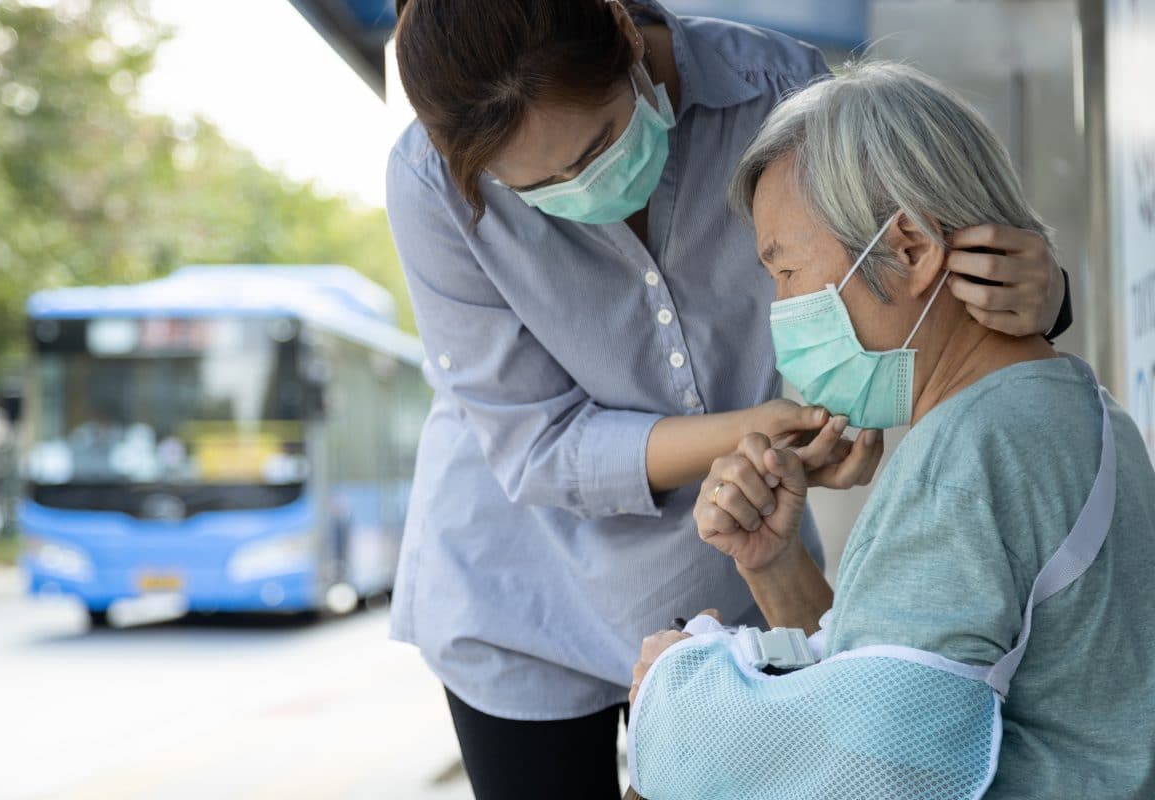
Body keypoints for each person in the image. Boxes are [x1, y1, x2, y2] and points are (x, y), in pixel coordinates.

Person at [386, 2, 1073, 797]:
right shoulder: (430, 183)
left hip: (728, 572)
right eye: (536, 188)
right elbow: (540, 447)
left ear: (623, 35)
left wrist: (1042, 292)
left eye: (599, 144)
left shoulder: (776, 91)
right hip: (521, 591)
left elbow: (903, 260)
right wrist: (761, 432)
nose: (583, 190)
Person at [627, 62, 1155, 799]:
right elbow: (893, 691)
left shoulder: (970, 455)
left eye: (784, 271)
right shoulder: (1077, 410)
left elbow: (877, 772)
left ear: (908, 248)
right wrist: (776, 566)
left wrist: (676, 689)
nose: (778, 307)